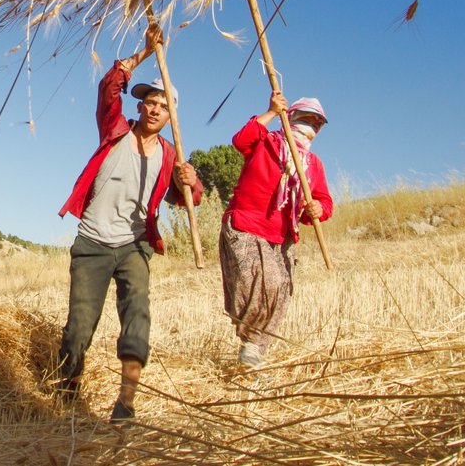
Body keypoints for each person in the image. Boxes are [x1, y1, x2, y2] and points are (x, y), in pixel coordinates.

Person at [55, 24, 203, 422]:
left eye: (162, 105)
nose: (154, 109)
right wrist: (145, 52)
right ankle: (65, 395)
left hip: (134, 246)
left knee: (137, 316)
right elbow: (110, 85)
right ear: (139, 108)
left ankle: (126, 403)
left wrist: (193, 182)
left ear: (171, 114)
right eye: (148, 102)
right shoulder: (115, 132)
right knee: (78, 329)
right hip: (92, 243)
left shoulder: (170, 156)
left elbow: (187, 197)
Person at [219, 90, 334, 369]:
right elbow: (240, 140)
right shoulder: (267, 142)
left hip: (282, 236)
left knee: (280, 288)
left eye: (318, 124)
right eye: (309, 119)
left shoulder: (312, 164)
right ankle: (250, 338)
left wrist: (317, 209)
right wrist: (270, 112)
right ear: (291, 117)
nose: (313, 127)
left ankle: (255, 348)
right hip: (247, 224)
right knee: (259, 283)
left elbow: (323, 201)